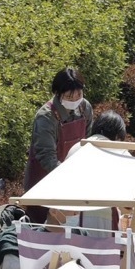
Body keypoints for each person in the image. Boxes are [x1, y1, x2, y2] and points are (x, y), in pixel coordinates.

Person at [23, 67, 94, 219]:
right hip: (43, 182)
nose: (75, 101)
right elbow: (47, 157)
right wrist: (67, 179)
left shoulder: (85, 108)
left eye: (79, 95)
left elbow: (86, 144)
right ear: (58, 93)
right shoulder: (46, 117)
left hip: (71, 182)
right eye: (69, 97)